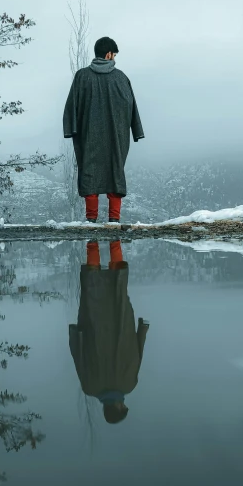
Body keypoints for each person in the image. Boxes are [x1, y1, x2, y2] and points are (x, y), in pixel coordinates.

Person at [63, 37, 145, 223]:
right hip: (115, 137)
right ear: (108, 54)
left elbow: (71, 106)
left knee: (89, 174)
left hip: (88, 136)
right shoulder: (121, 78)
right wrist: (135, 130)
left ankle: (91, 222)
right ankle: (114, 223)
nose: (114, 58)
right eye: (114, 55)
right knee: (115, 173)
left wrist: (71, 129)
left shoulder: (82, 76)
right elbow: (131, 106)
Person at [69, 240, 149, 424]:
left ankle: (115, 241)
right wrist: (75, 335)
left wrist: (142, 331)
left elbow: (138, 354)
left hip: (121, 324)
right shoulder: (89, 387)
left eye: (123, 407)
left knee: (118, 289)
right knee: (92, 287)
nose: (124, 404)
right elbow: (78, 357)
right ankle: (92, 242)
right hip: (93, 328)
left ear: (118, 407)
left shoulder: (129, 385)